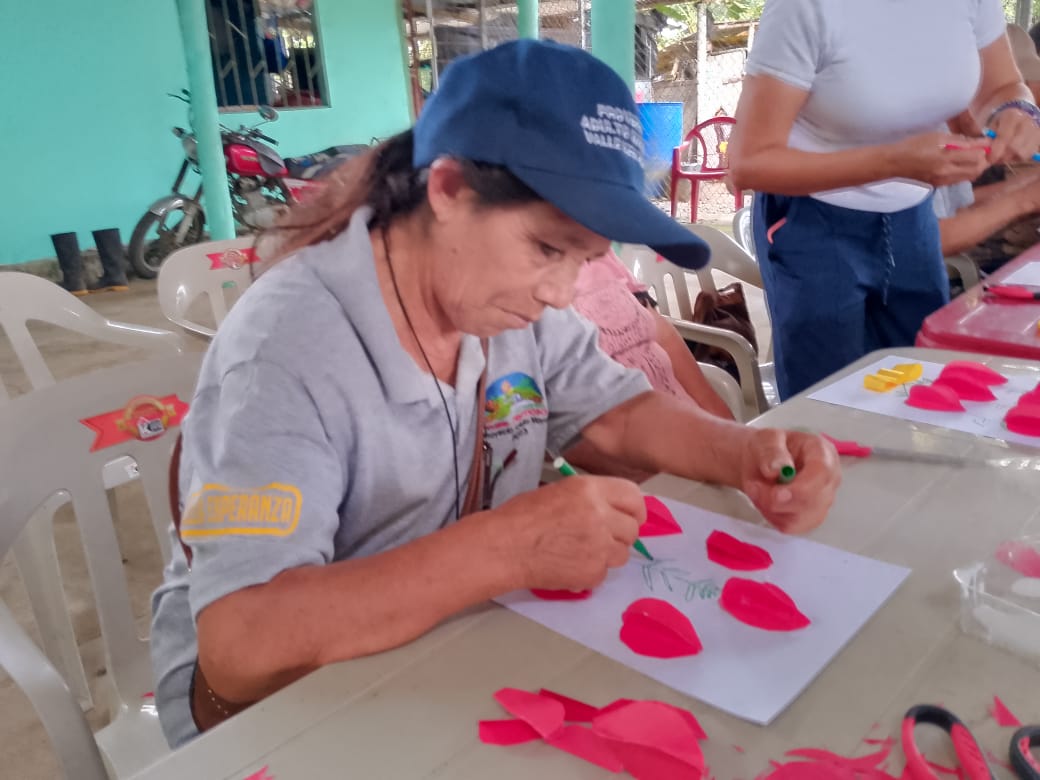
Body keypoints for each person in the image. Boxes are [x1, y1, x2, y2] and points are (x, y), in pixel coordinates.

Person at [150, 40, 841, 749]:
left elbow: (617, 415)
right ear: (448, 189)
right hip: (292, 712)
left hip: (439, 644)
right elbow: (243, 647)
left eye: (587, 259)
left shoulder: (505, 302)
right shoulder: (287, 351)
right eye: (548, 248)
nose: (562, 293)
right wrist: (507, 550)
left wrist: (743, 453)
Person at [728, 0, 1040, 400]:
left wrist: (1016, 110)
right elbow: (748, 164)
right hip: (813, 220)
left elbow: (1001, 86)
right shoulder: (805, 8)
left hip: (914, 219)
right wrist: (894, 163)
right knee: (830, 403)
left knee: (921, 387)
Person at [565, 249, 735, 480]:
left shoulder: (598, 254)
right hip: (640, 471)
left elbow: (663, 335)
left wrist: (726, 428)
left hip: (690, 442)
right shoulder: (531, 300)